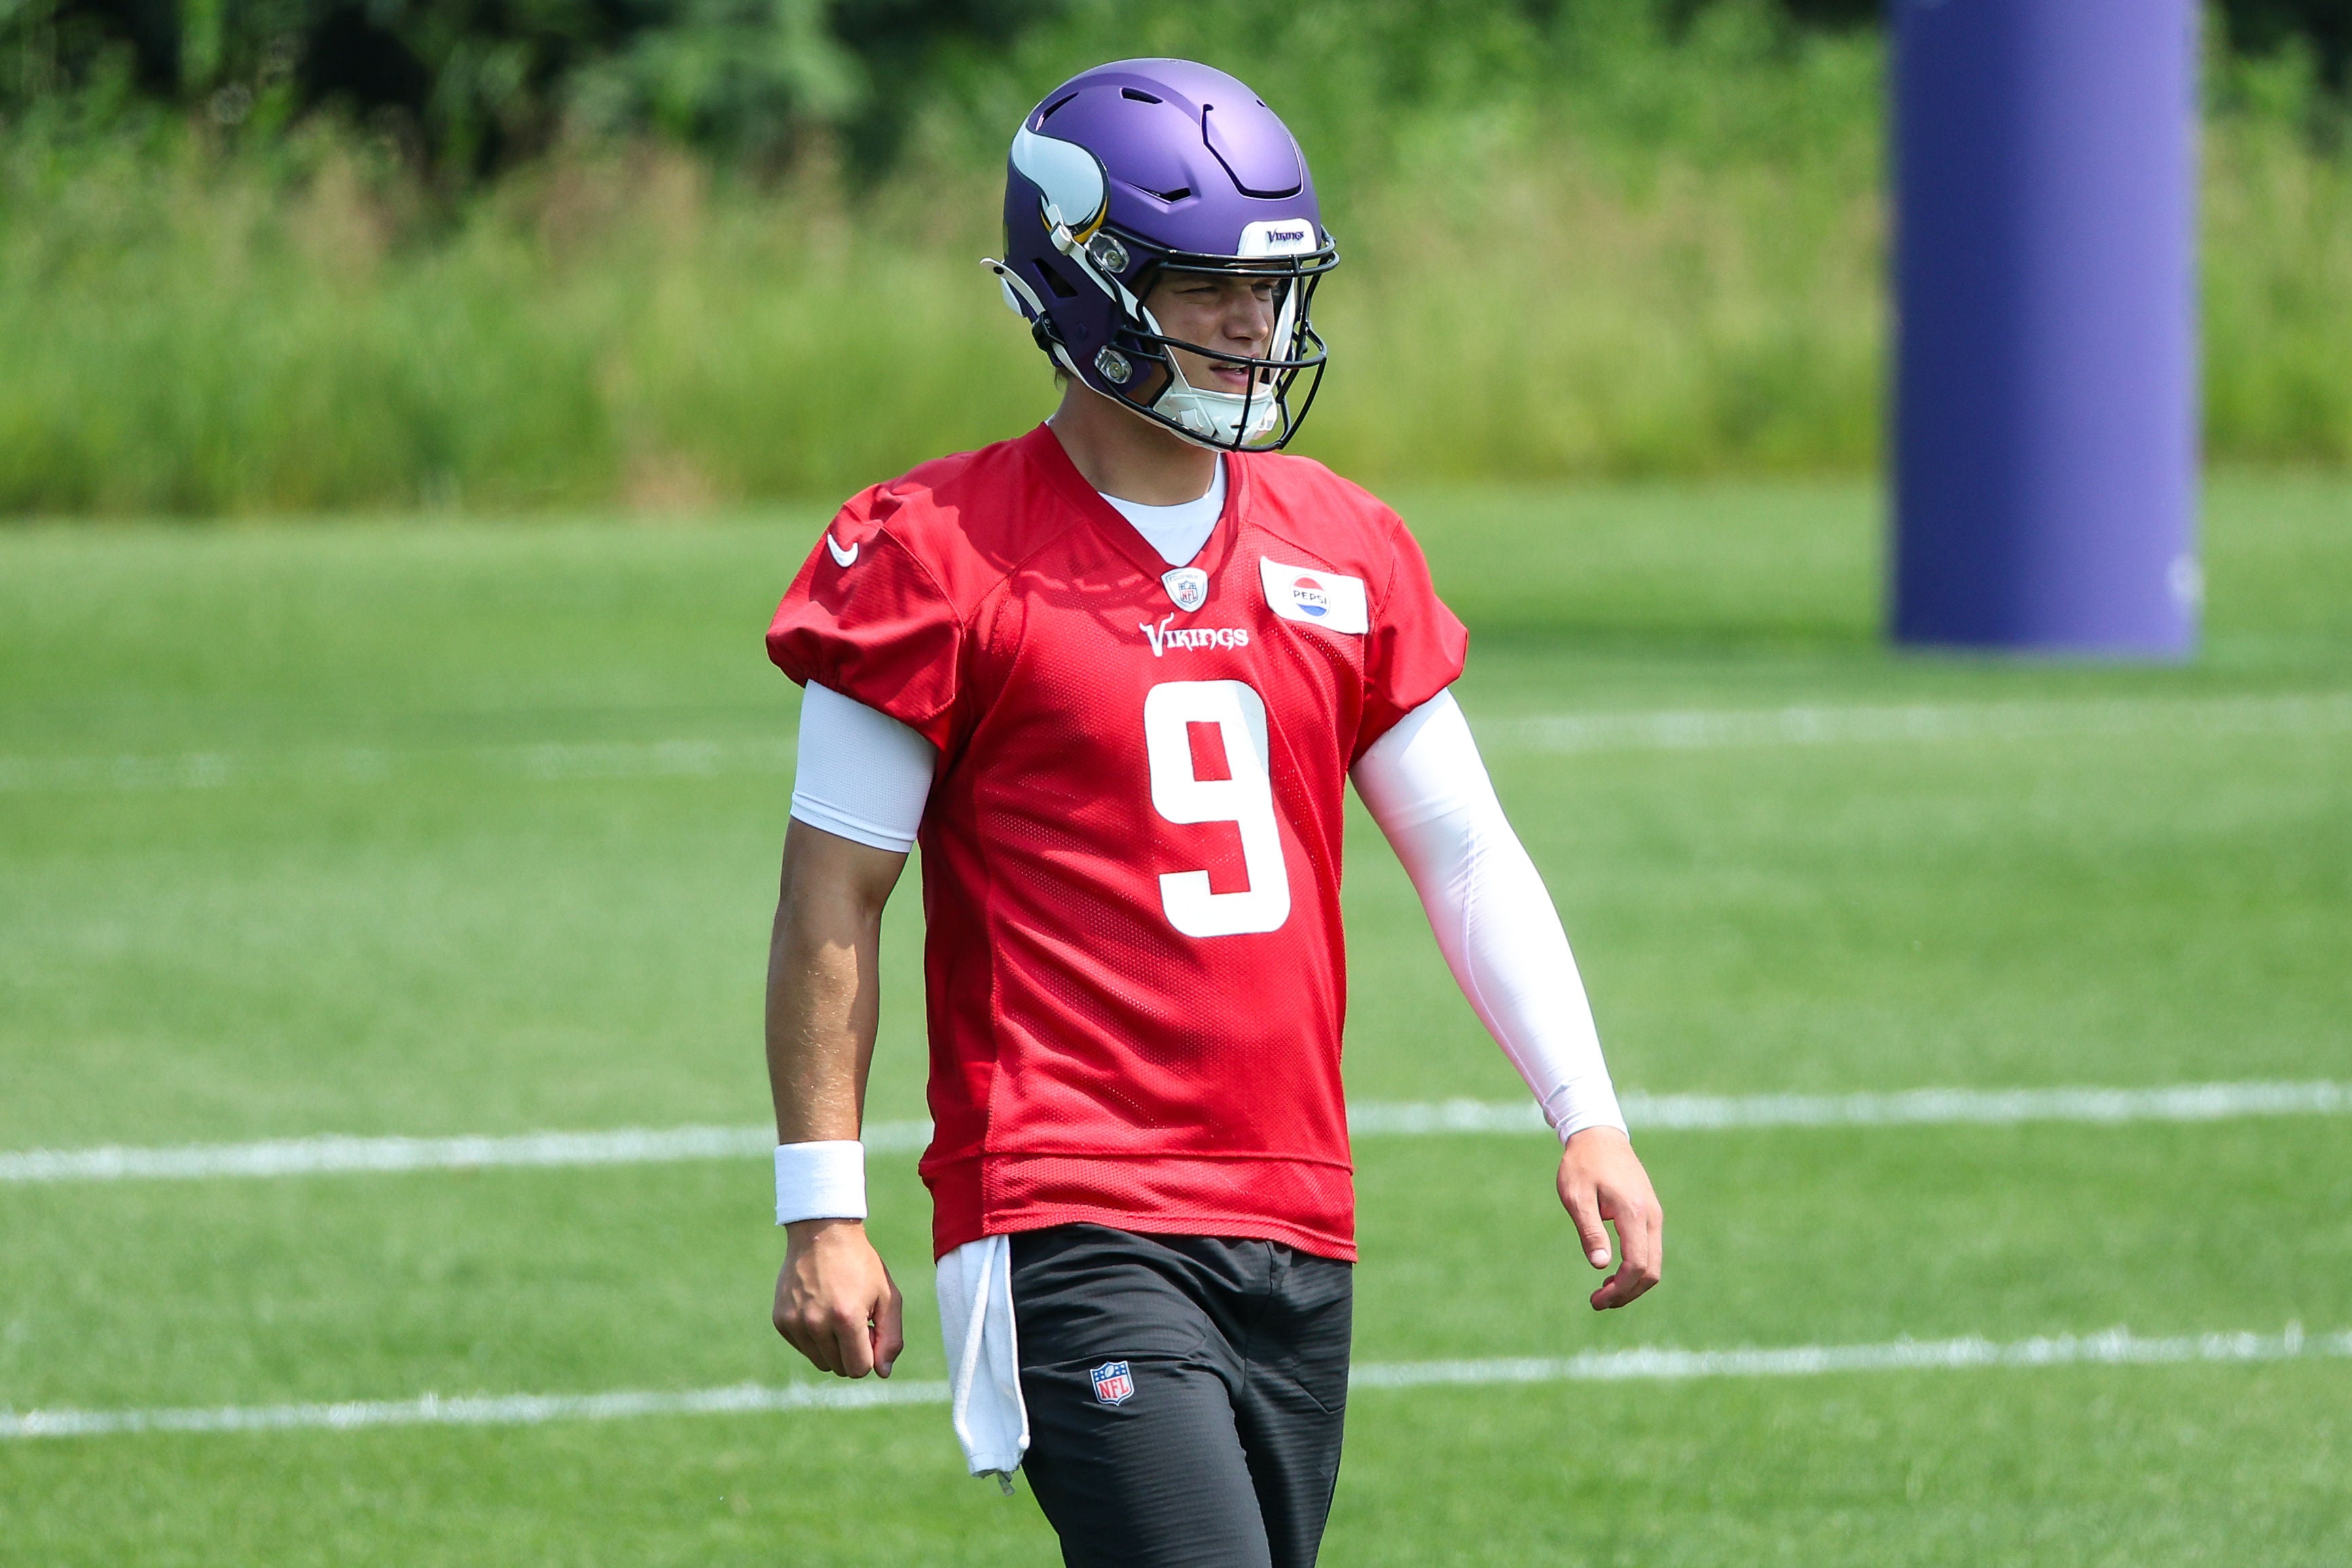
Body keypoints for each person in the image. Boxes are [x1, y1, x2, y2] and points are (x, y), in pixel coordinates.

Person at [760, 57, 1663, 1568]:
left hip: (1294, 1205)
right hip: (1066, 1198)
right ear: (1088, 281)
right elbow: (830, 899)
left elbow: (1460, 846)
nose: (1257, 327)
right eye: (1206, 289)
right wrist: (821, 1211)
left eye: (1274, 289)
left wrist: (1588, 1112)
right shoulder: (932, 553)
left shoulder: (1344, 542)